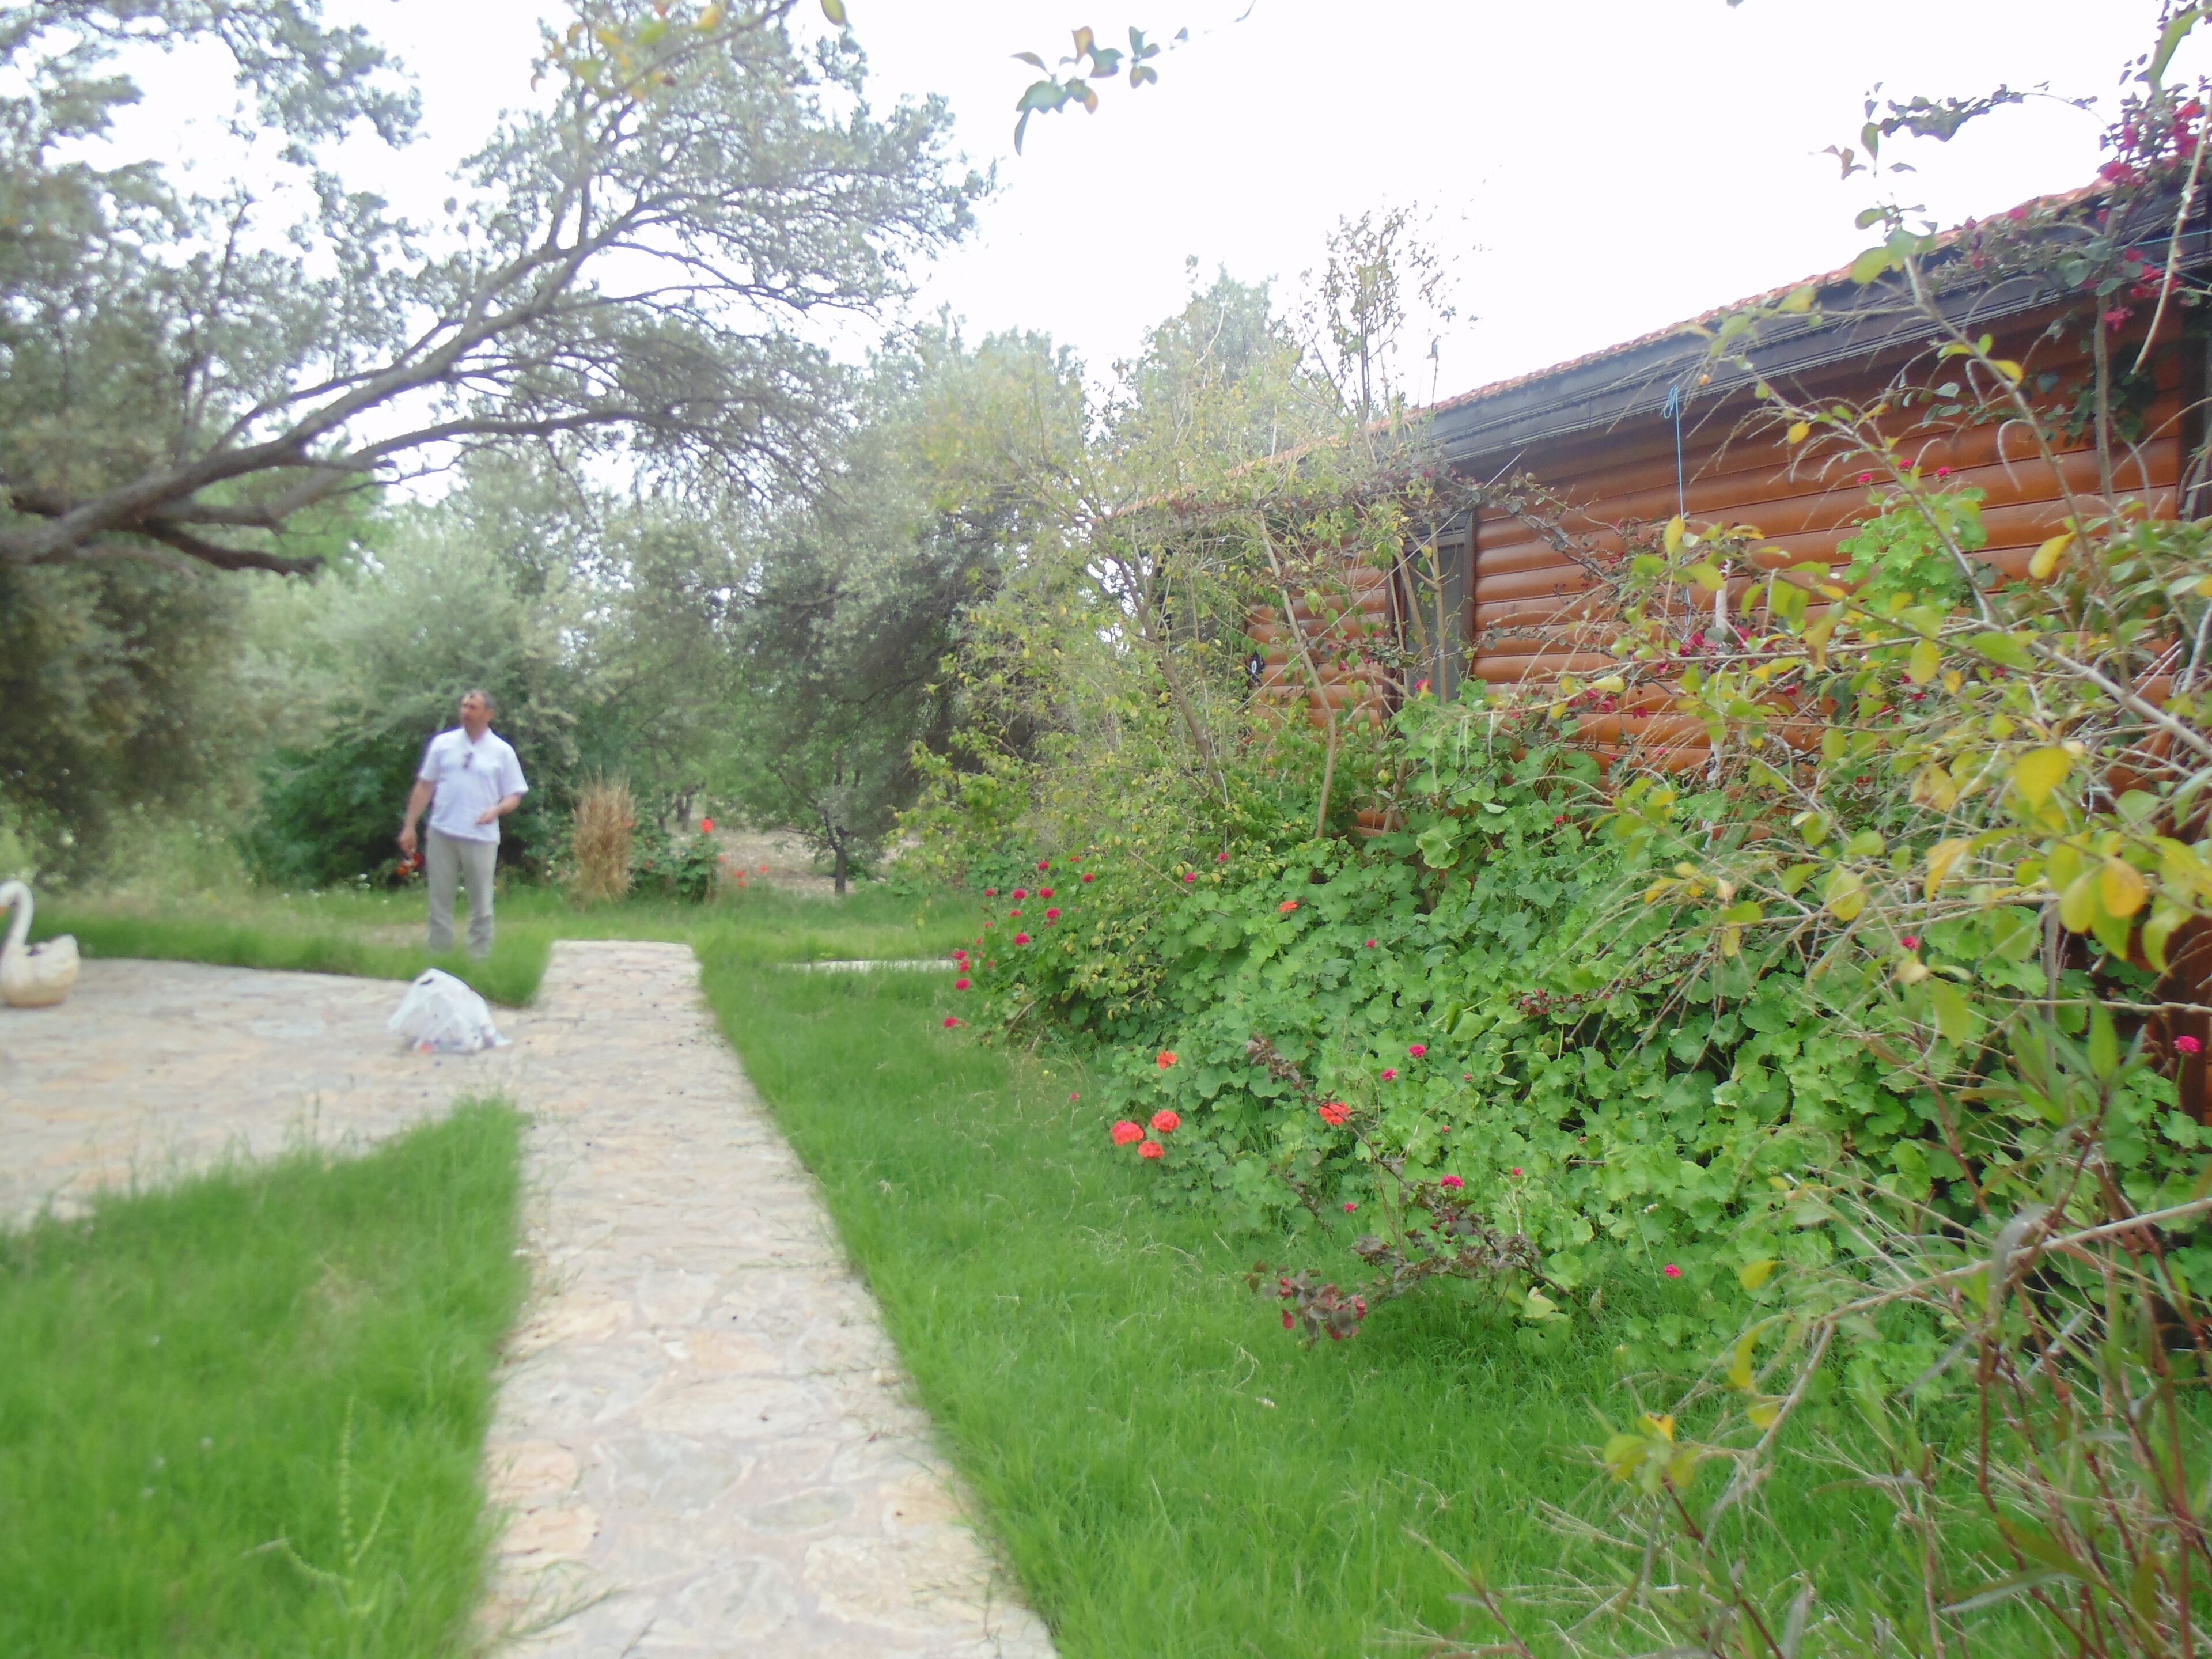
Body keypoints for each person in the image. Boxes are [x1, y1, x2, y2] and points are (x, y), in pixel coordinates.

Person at [397, 689, 527, 958]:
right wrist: (410, 825)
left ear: (488, 714)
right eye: (464, 706)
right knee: (439, 900)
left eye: (473, 707)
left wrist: (497, 810)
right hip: (443, 831)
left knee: (481, 904)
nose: (466, 712)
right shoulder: (443, 744)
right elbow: (425, 785)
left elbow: (515, 793)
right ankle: (439, 959)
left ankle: (478, 960)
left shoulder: (502, 751)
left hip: (481, 836)